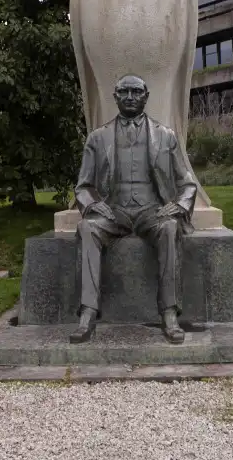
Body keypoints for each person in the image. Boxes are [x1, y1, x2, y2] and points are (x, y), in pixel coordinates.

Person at [71, 74, 198, 344]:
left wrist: (177, 206)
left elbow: (188, 184)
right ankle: (88, 312)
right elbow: (82, 186)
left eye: (136, 92)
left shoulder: (166, 137)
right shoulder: (97, 138)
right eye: (124, 92)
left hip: (151, 210)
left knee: (169, 228)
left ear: (146, 96)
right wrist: (94, 205)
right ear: (115, 96)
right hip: (114, 210)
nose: (130, 97)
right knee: (87, 228)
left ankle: (169, 312)